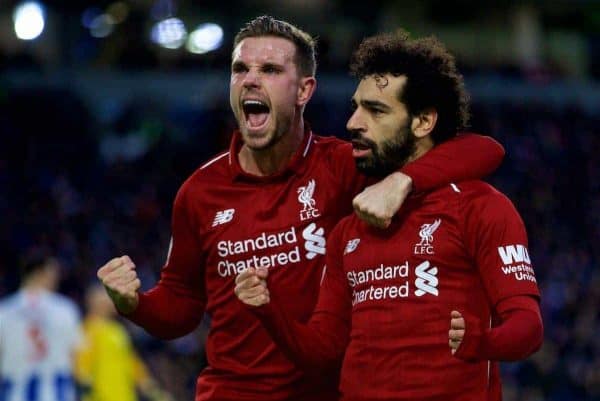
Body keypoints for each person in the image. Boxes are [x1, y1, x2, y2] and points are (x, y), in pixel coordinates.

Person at [97, 16, 505, 401]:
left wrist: (404, 179)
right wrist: (137, 304)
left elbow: (483, 150)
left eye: (271, 70)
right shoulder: (199, 192)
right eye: (241, 69)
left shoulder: (344, 167)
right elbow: (181, 306)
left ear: (304, 90)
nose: (251, 80)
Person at [235, 30, 543, 401]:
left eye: (376, 110)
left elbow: (529, 328)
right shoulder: (348, 230)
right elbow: (323, 350)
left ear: (423, 122)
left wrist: (484, 342)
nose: (353, 123)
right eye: (356, 106)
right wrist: (268, 309)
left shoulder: (479, 207)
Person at [0, 252, 82, 401]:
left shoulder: (4, 311)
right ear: (41, 273)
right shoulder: (65, 309)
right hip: (56, 393)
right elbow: (75, 355)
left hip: (14, 393)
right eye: (54, 272)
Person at [75, 285, 171, 401]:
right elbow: (82, 364)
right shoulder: (88, 329)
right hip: (101, 397)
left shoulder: (118, 330)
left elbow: (133, 364)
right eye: (109, 297)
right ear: (95, 302)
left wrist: (153, 390)